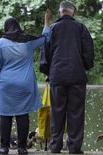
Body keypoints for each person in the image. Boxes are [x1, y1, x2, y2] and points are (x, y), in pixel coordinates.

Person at [0, 9, 52, 155]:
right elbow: (46, 38)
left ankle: (4, 147)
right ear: (18, 28)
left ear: (6, 29)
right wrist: (46, 20)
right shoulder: (28, 42)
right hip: (25, 85)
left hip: (5, 85)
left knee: (5, 115)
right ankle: (22, 148)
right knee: (22, 115)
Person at [40, 1, 94, 154]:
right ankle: (74, 148)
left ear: (60, 12)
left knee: (57, 112)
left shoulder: (52, 29)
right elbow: (88, 52)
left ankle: (55, 146)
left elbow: (45, 51)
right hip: (77, 76)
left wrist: (46, 70)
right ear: (73, 13)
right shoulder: (81, 28)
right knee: (76, 112)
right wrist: (85, 65)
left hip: (57, 77)